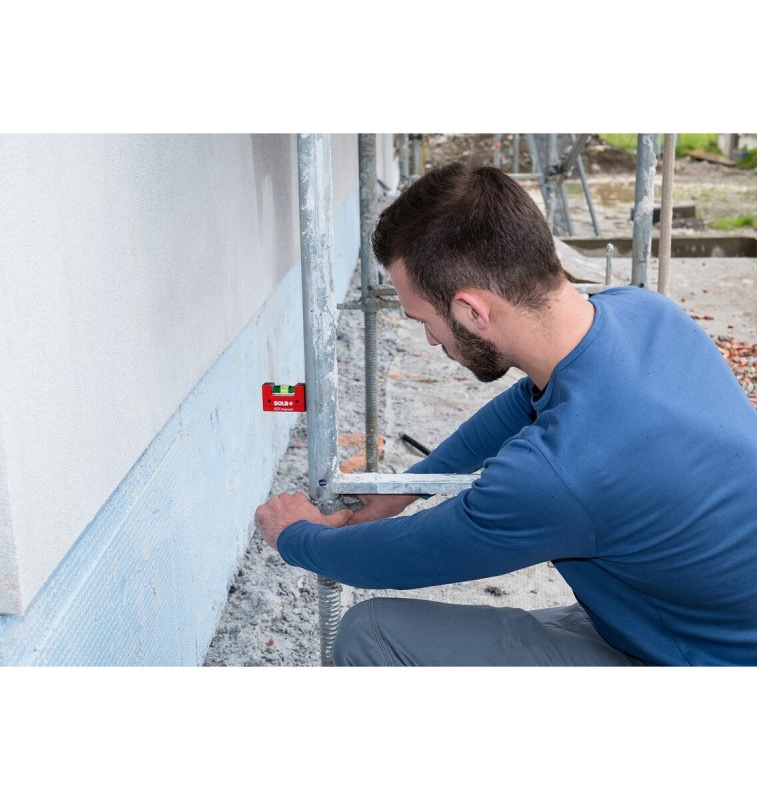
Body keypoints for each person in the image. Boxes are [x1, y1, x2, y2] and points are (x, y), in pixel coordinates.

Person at [254, 162, 757, 666]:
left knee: (371, 634)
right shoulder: (644, 312)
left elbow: (406, 556)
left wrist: (295, 535)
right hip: (694, 618)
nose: (430, 340)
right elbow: (524, 404)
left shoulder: (560, 471)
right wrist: (405, 487)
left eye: (425, 320)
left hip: (700, 661)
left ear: (473, 311)